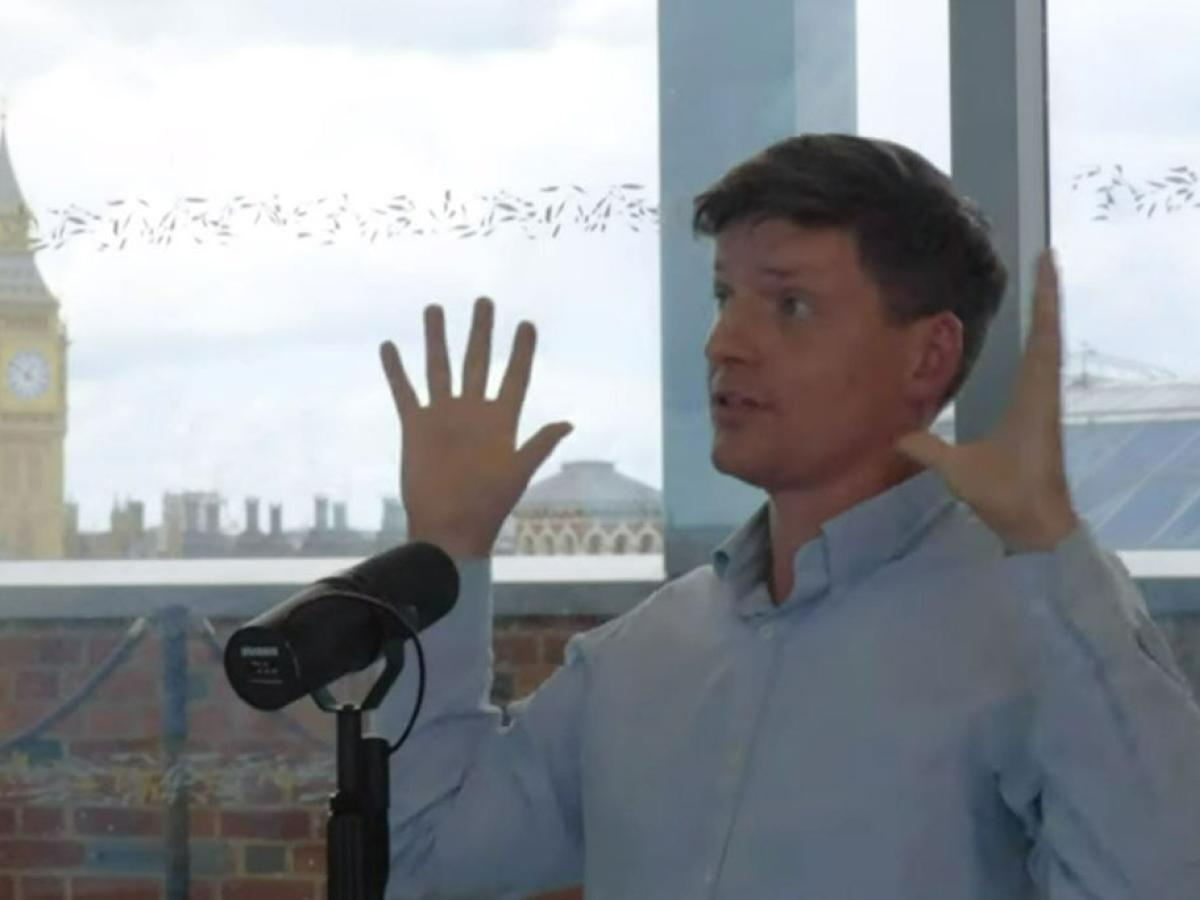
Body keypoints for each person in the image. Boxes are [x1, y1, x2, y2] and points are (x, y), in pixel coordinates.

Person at [375, 134, 1200, 899]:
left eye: (790, 305)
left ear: (928, 355)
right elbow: (427, 862)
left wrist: (1050, 545)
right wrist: (447, 555)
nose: (724, 342)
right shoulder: (641, 656)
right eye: (724, 296)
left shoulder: (1036, 631)